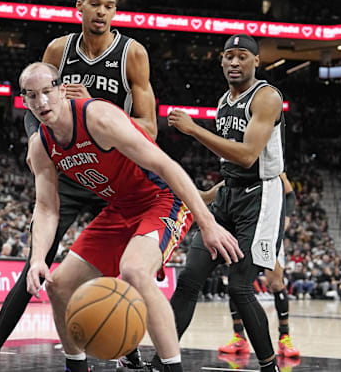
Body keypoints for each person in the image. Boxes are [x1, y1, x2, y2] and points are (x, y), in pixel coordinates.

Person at [0, 0, 158, 372]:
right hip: (71, 169)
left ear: (115, 11)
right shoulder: (59, 49)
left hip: (113, 171)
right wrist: (36, 142)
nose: (102, 11)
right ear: (80, 7)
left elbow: (151, 129)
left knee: (124, 263)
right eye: (95, 3)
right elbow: (33, 106)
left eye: (109, 5)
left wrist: (97, 108)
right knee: (37, 261)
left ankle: (127, 347)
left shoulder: (132, 54)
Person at [20, 62, 242, 372]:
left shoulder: (98, 117)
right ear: (25, 101)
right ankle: (76, 367)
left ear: (60, 89)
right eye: (32, 96)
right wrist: (37, 259)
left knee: (135, 271)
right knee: (58, 285)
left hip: (162, 199)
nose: (41, 102)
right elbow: (46, 208)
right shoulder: (42, 145)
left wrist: (208, 223)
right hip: (120, 209)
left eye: (47, 92)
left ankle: (171, 367)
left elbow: (166, 165)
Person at [167, 34, 285, 372]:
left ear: (256, 61)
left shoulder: (266, 97)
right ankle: (167, 361)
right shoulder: (223, 101)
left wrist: (193, 129)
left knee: (239, 286)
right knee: (190, 278)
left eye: (242, 56)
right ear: (220, 61)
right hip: (229, 195)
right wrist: (205, 196)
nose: (234, 62)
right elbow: (233, 170)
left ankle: (268, 366)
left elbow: (248, 157)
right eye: (229, 56)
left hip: (261, 199)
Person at [217, 172, 300, 358]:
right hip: (244, 227)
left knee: (276, 284)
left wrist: (284, 219)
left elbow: (290, 195)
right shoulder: (235, 165)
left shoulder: (270, 165)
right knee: (235, 282)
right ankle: (239, 337)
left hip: (268, 229)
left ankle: (284, 338)